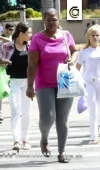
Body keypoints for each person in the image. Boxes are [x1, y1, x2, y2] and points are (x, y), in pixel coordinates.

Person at [26, 8, 78, 163]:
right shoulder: (37, 38)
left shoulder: (66, 35)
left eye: (54, 19)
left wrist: (73, 59)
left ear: (58, 20)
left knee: (62, 119)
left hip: (65, 81)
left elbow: (75, 51)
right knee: (48, 117)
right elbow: (32, 64)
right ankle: (44, 139)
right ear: (44, 20)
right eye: (48, 19)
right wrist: (30, 86)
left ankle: (62, 152)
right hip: (44, 83)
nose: (51, 22)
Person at [1, 22, 33, 151]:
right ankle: (16, 140)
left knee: (26, 112)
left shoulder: (31, 47)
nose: (31, 35)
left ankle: (25, 139)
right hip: (12, 81)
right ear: (21, 33)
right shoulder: (7, 46)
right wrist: (3, 63)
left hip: (28, 82)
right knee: (15, 110)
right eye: (29, 33)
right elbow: (1, 64)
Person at [76, 25, 100, 144]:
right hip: (89, 82)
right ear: (88, 37)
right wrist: (79, 82)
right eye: (93, 35)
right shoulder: (84, 52)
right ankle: (94, 136)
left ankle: (98, 129)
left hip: (99, 82)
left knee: (99, 109)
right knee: (93, 108)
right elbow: (77, 68)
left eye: (97, 35)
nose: (95, 37)